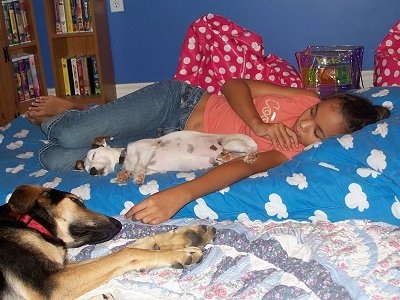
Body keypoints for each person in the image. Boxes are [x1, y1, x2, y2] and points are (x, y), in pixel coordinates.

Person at [27, 79, 390, 224]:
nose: (304, 125)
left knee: (54, 158)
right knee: (69, 132)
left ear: (328, 142)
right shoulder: (304, 98)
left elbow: (239, 169)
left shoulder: (289, 153)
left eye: (317, 133)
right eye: (313, 114)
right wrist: (259, 124)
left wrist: (178, 195)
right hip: (178, 104)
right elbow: (234, 85)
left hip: (162, 144)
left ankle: (92, 120)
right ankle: (77, 111)